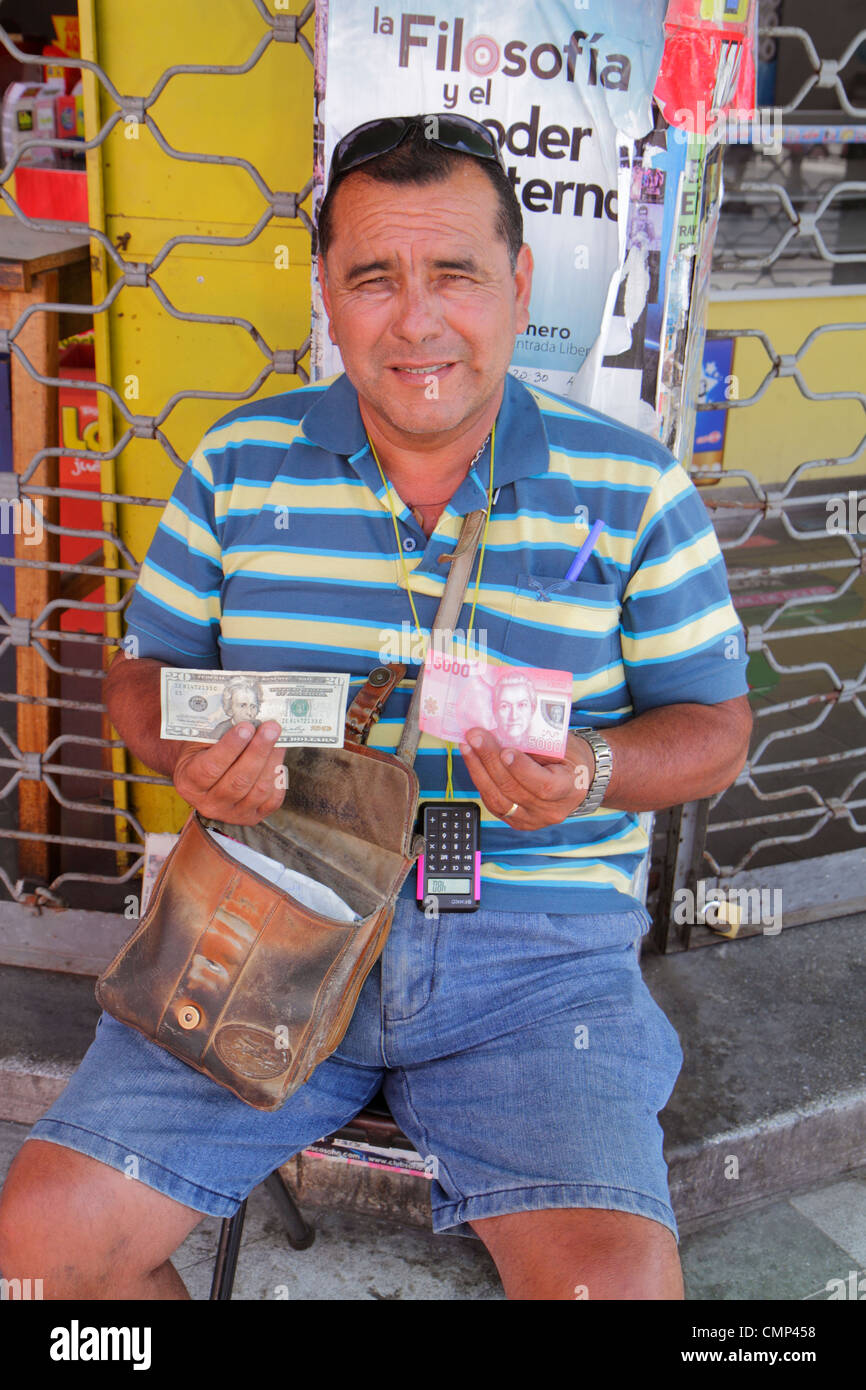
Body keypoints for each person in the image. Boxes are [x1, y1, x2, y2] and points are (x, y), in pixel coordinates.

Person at [0, 112, 752, 1301]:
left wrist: (593, 774)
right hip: (262, 920)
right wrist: (194, 756)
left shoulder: (630, 484)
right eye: (372, 277)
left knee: (611, 1287)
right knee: (39, 1263)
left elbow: (712, 725)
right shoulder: (239, 462)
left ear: (515, 287)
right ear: (327, 295)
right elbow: (140, 680)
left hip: (533, 958)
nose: (415, 318)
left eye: (453, 272)